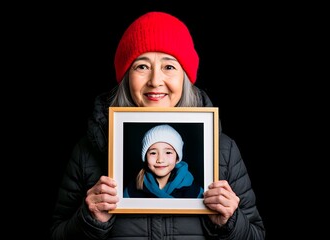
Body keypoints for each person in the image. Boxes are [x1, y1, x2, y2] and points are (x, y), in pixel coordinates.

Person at [50, 11, 265, 239]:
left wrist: (230, 221)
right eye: (141, 66)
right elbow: (57, 234)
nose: (155, 81)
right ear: (126, 77)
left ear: (185, 77)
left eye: (169, 67)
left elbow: (256, 235)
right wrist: (89, 219)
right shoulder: (87, 151)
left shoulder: (224, 151)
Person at [123, 124, 204, 198]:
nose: (160, 160)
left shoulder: (196, 192)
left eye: (168, 152)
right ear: (145, 157)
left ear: (177, 158)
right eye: (153, 153)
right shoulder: (130, 192)